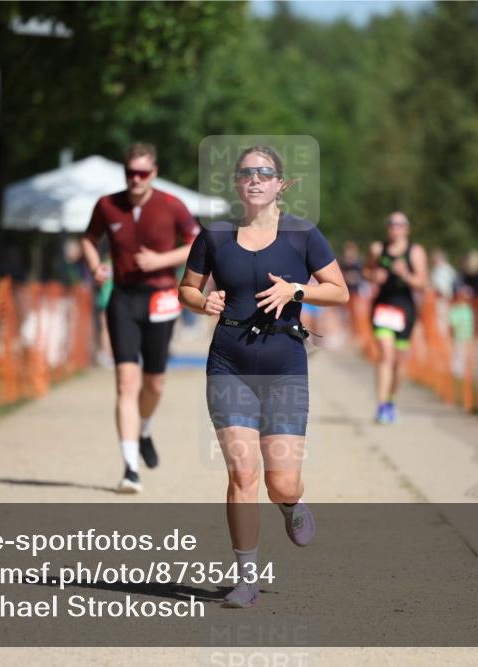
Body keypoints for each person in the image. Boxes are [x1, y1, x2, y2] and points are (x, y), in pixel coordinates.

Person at [179, 145, 349, 608]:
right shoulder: (214, 236)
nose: (255, 179)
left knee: (282, 482)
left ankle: (292, 506)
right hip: (229, 363)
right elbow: (187, 289)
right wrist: (202, 302)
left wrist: (297, 289)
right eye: (246, 172)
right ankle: (246, 578)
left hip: (284, 366)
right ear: (236, 183)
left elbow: (340, 291)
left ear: (281, 184)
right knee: (242, 473)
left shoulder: (302, 234)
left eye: (264, 172)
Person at [81, 142, 200, 493]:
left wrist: (162, 261)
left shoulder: (171, 205)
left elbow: (197, 242)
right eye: (130, 173)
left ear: (154, 173)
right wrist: (94, 266)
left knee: (155, 383)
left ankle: (145, 429)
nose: (136, 179)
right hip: (123, 299)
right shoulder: (107, 205)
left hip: (162, 297)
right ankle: (130, 468)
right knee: (125, 384)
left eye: (143, 173)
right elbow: (89, 239)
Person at [364, 212, 428, 424]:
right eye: (392, 224)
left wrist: (405, 275)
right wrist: (374, 276)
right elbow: (366, 270)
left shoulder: (415, 252)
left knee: (399, 363)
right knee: (385, 354)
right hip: (383, 307)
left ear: (407, 229)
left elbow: (421, 283)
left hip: (405, 309)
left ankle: (391, 400)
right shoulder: (377, 249)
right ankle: (381, 405)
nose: (396, 228)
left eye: (400, 225)